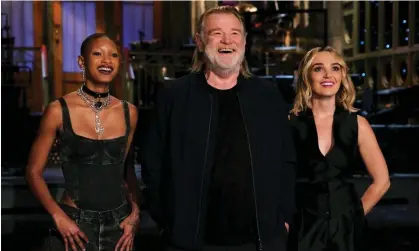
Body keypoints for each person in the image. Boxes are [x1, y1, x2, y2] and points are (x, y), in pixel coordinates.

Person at [141, 6, 296, 251]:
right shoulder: (174, 96)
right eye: (216, 33)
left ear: (245, 41)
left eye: (235, 33)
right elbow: (152, 163)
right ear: (200, 42)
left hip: (260, 240)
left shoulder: (267, 96)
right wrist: (167, 219)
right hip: (189, 240)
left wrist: (283, 218)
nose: (227, 40)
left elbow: (287, 161)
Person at [26, 33, 140, 251]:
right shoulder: (58, 110)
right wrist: (58, 216)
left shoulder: (130, 112)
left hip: (119, 228)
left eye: (113, 55)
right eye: (98, 54)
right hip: (74, 226)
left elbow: (127, 173)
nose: (107, 61)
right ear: (81, 61)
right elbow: (33, 172)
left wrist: (135, 214)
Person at [289, 46, 390, 251]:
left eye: (335, 68)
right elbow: (274, 178)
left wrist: (354, 214)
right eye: (318, 68)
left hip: (346, 233)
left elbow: (382, 181)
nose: (328, 74)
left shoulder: (358, 124)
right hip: (303, 229)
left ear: (342, 75)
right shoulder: (290, 124)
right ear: (306, 76)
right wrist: (283, 220)